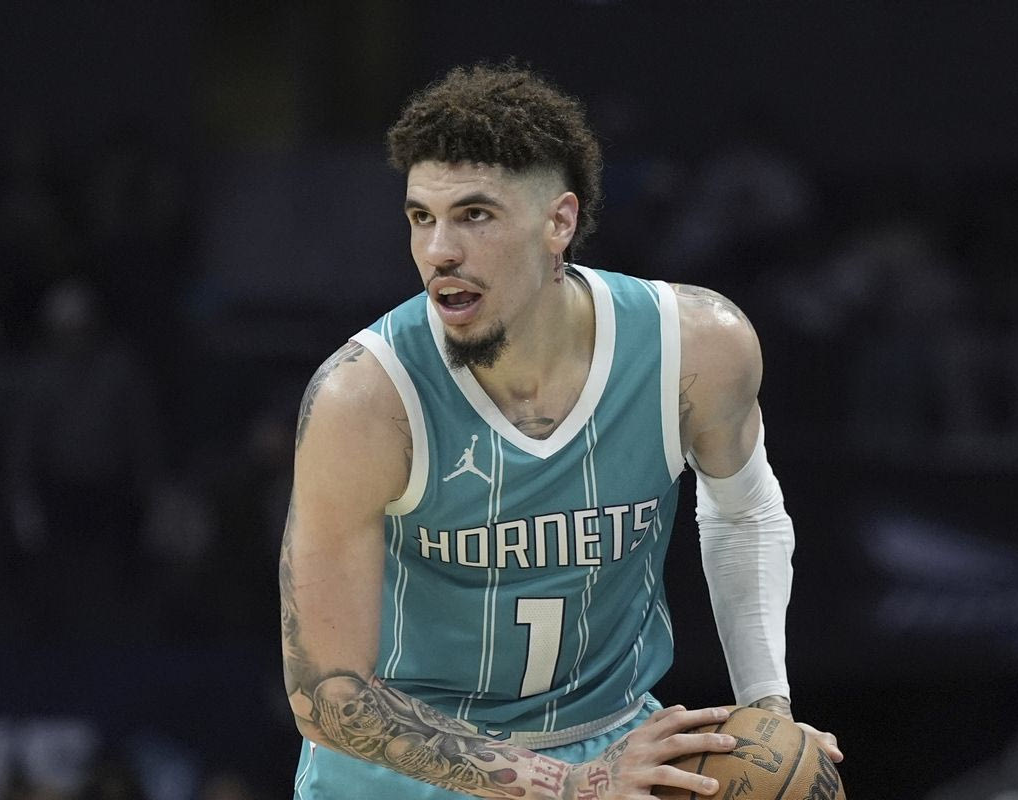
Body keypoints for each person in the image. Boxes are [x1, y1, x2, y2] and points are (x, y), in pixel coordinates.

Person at [281, 63, 841, 799]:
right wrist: (564, 786)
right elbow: (328, 695)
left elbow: (744, 512)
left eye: (474, 215)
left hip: (613, 745)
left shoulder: (696, 346)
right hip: (405, 771)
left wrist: (769, 710)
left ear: (559, 222)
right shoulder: (363, 399)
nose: (439, 250)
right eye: (421, 217)